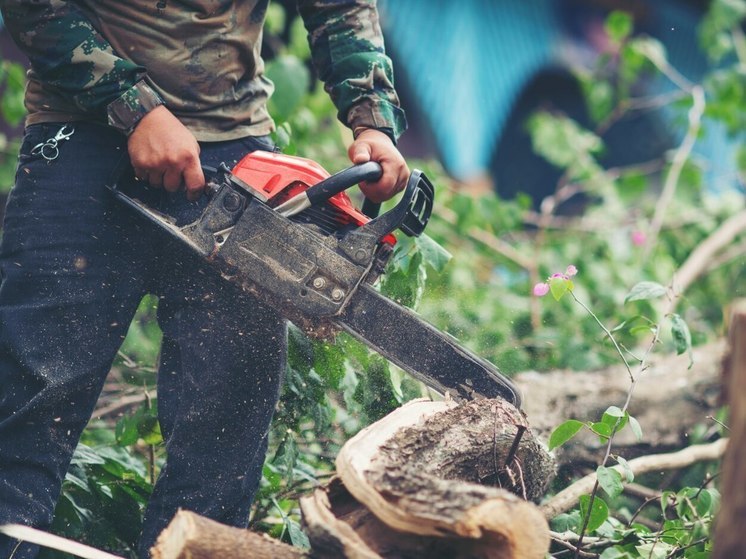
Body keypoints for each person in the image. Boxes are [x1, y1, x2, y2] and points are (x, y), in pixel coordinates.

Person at [0, 1, 409, 557]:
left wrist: (372, 119)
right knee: (29, 407)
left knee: (224, 435)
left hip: (237, 152)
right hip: (80, 140)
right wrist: (134, 108)